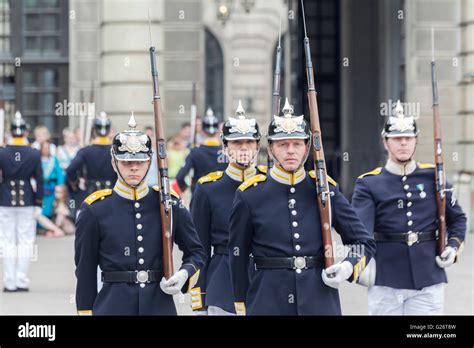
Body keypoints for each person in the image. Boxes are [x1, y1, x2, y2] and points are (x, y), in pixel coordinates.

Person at [228, 99, 376, 315]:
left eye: (297, 144)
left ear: (307, 147)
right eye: (283, 144)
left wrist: (348, 267)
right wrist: (241, 304)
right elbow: (238, 257)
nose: (290, 151)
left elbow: (364, 242)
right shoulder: (249, 195)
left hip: (319, 300)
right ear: (270, 149)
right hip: (268, 301)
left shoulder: (325, 190)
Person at [74, 114, 206, 315]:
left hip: (159, 306)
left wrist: (184, 274)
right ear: (114, 163)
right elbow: (85, 271)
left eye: (140, 161)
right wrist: (85, 312)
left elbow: (196, 252)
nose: (134, 167)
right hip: (113, 306)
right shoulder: (94, 209)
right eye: (126, 162)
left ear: (149, 162)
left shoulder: (168, 202)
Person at [352, 100, 467, 315]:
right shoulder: (368, 183)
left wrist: (452, 247)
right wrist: (355, 263)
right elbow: (361, 232)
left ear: (416, 141)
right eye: (396, 138)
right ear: (385, 142)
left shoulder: (434, 178)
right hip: (386, 278)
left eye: (408, 138)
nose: (403, 143)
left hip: (428, 276)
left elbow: (458, 219)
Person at [190, 101, 266, 315]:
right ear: (225, 147)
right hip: (223, 284)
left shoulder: (269, 182)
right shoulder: (208, 189)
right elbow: (199, 249)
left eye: (249, 142)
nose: (243, 148)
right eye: (236, 143)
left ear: (257, 146)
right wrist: (199, 300)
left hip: (265, 282)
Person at [0, 111, 43, 292]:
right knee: (25, 242)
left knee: (7, 241)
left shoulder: (2, 152)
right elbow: (39, 180)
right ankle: (21, 280)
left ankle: (10, 282)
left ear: (10, 131)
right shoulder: (33, 153)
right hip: (26, 200)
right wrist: (39, 203)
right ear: (26, 132)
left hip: (5, 200)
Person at [66, 112, 117, 216]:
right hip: (111, 193)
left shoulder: (85, 151)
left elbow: (70, 169)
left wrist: (76, 184)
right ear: (109, 130)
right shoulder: (115, 150)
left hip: (90, 193)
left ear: (94, 130)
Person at [173, 108, 226, 194]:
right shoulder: (226, 152)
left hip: (199, 194)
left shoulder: (195, 152)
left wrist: (185, 188)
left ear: (203, 131)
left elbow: (180, 177)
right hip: (220, 194)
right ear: (217, 132)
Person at [41, 140, 65, 219]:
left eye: (47, 148)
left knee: (51, 206)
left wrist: (60, 185)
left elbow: (59, 173)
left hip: (52, 186)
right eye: (44, 148)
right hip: (41, 186)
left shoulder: (53, 160)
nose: (46, 150)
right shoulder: (38, 159)